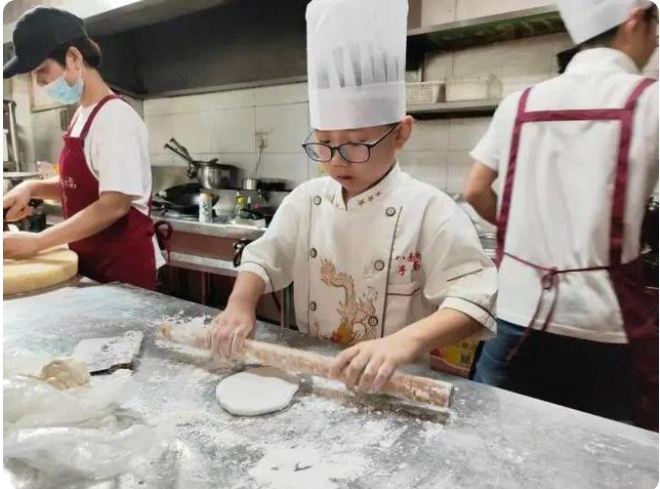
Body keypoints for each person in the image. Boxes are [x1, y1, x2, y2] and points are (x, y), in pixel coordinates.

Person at [209, 0, 497, 392]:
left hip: (395, 385)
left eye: (356, 144)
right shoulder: (307, 200)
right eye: (324, 144)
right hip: (315, 375)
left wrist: (405, 342)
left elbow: (474, 298)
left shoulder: (430, 210)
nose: (336, 161)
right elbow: (263, 258)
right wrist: (240, 303)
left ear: (401, 133)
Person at [463, 0, 658, 430]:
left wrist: (528, 239)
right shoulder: (651, 101)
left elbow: (475, 190)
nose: (656, 38)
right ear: (633, 20)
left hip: (516, 316)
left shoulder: (519, 103)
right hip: (602, 327)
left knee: (495, 443)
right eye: (656, 25)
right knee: (605, 455)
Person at [3, 6, 163, 290]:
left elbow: (114, 204)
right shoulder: (82, 114)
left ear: (74, 58)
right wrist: (31, 188)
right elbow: (79, 185)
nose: (40, 82)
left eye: (42, 71)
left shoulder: (115, 118)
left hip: (122, 274)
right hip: (92, 266)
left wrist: (38, 242)